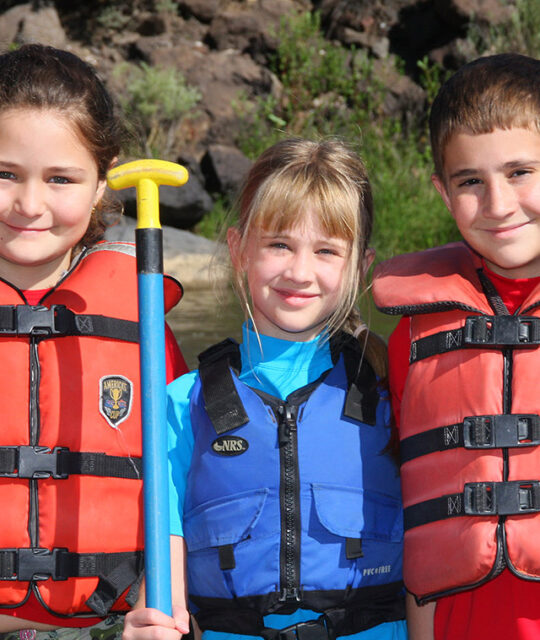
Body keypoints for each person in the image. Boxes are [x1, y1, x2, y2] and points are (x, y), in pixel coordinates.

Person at [123, 138, 408, 640]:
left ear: (360, 267)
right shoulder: (179, 404)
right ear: (239, 251)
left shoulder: (394, 390)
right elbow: (162, 581)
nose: (299, 272)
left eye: (326, 251)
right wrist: (151, 622)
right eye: (279, 244)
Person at [0, 44, 188, 639]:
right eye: (4, 174)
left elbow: (180, 483)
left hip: (110, 624)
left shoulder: (138, 313)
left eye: (60, 179)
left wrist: (167, 609)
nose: (29, 205)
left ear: (103, 180)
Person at [372, 53, 540, 640]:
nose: (497, 204)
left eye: (521, 172)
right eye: (472, 181)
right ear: (444, 193)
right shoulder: (413, 335)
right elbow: (414, 500)